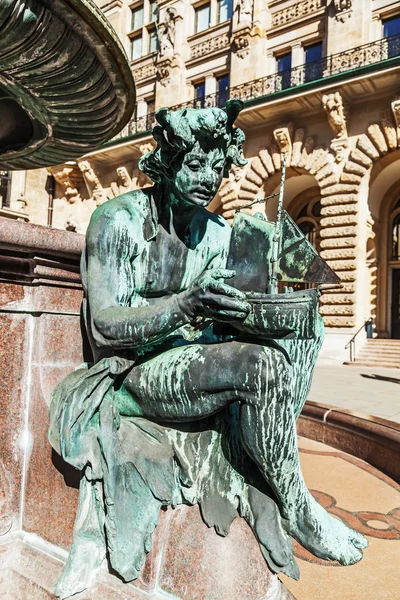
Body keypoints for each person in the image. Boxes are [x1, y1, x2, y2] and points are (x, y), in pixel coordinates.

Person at [50, 99, 366, 598]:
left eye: (216, 169)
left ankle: (271, 462)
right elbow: (107, 327)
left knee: (306, 329)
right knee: (259, 368)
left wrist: (254, 312)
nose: (206, 178)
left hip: (192, 360)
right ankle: (298, 506)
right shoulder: (118, 219)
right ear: (168, 161)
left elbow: (228, 316)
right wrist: (184, 306)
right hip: (128, 372)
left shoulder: (219, 234)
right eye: (195, 164)